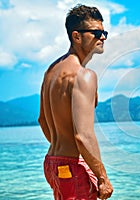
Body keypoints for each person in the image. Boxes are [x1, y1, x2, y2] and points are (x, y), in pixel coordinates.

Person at [38, 4, 113, 200]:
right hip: (70, 167)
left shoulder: (51, 72)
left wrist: (61, 152)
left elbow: (42, 121)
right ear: (76, 36)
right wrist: (102, 177)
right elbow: (83, 135)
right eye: (96, 32)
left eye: (104, 32)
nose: (103, 37)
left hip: (53, 163)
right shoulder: (84, 76)